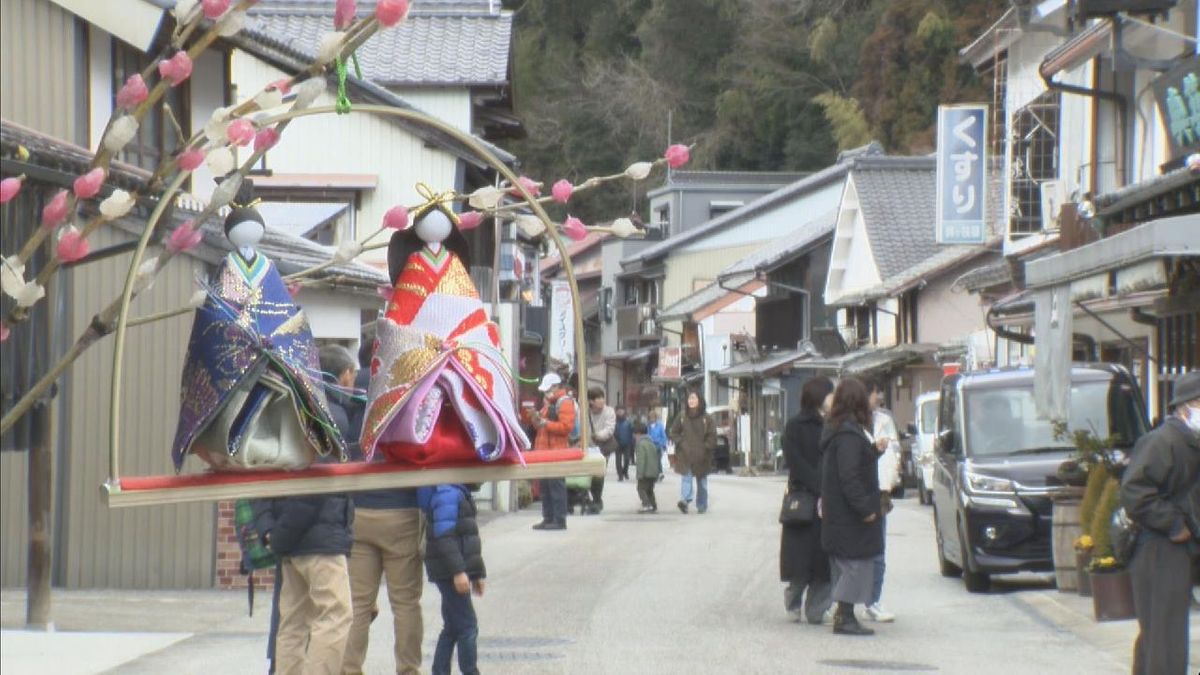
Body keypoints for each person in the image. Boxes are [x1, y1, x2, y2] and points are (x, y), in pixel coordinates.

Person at [1120, 370, 1200, 675]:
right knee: (1164, 634)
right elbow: (1134, 491)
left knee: (1159, 633)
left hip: (1175, 545)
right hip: (1159, 546)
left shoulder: (1187, 441)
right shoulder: (1162, 441)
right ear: (1186, 406)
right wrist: (1173, 525)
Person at [253, 489, 355, 673]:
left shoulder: (260, 460)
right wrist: (280, 534)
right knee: (335, 614)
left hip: (291, 539)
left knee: (293, 623)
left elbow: (259, 482)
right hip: (320, 538)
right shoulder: (318, 459)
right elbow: (316, 485)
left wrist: (270, 531)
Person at [819, 377, 884, 637]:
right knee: (855, 566)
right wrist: (865, 509)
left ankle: (844, 614)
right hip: (849, 516)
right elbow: (849, 476)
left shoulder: (839, 429)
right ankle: (844, 616)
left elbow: (852, 466)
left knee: (849, 566)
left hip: (839, 514)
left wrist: (873, 452)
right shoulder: (847, 434)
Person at [780, 376, 835, 625]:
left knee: (824, 562)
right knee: (800, 560)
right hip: (803, 498)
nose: (834, 399)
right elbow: (794, 461)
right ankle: (793, 600)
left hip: (828, 499)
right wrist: (817, 483)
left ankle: (817, 609)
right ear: (819, 397)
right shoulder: (794, 426)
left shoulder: (834, 424)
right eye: (830, 394)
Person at [419, 484, 487, 675]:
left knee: (452, 627)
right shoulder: (448, 493)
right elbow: (444, 537)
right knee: (468, 626)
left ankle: (439, 671)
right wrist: (458, 571)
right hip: (450, 571)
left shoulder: (456, 491)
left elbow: (467, 536)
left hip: (451, 569)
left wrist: (476, 573)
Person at [865, 379, 898, 623]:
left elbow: (893, 454)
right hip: (858, 493)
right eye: (876, 392)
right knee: (848, 552)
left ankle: (873, 600)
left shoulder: (884, 421)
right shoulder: (849, 424)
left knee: (878, 550)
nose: (879, 396)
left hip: (880, 492)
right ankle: (839, 602)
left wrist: (891, 480)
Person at [531, 372, 575, 530]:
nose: (546, 392)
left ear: (556, 387)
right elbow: (542, 426)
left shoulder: (564, 403)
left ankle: (559, 519)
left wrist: (545, 423)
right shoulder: (549, 403)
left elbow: (566, 427)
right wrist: (536, 420)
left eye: (548, 389)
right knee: (545, 487)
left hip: (557, 451)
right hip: (544, 452)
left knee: (556, 487)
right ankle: (548, 518)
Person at [672, 391, 717, 514]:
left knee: (702, 482)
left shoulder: (706, 419)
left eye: (694, 398)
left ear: (699, 400)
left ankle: (702, 505)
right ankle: (685, 501)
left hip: (702, 456)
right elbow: (674, 432)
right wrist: (681, 443)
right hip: (685, 454)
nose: (691, 401)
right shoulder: (682, 416)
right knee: (686, 478)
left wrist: (705, 447)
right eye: (689, 398)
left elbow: (712, 436)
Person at [587, 387, 617, 513]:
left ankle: (597, 499)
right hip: (588, 446)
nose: (601, 400)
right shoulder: (585, 412)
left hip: (603, 447)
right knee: (587, 473)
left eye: (602, 397)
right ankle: (588, 498)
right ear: (591, 401)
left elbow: (609, 429)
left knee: (598, 474)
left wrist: (597, 435)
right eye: (598, 398)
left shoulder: (609, 411)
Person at [634, 420, 661, 512]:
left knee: (641, 489)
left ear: (638, 434)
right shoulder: (651, 443)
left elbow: (641, 460)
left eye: (635, 435)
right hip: (653, 472)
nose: (634, 437)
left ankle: (646, 505)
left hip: (645, 472)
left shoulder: (641, 445)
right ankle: (653, 505)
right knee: (649, 490)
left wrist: (639, 474)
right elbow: (656, 458)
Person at [614, 406, 635, 481]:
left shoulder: (628, 422)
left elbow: (632, 431)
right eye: (618, 411)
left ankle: (625, 472)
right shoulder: (614, 422)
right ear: (616, 412)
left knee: (626, 460)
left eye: (621, 411)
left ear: (624, 412)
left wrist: (633, 441)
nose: (620, 412)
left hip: (627, 443)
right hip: (617, 444)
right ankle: (620, 475)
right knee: (618, 461)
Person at [648, 410, 669, 483]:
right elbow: (647, 435)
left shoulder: (659, 425)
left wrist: (663, 444)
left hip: (658, 445)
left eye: (653, 417)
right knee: (653, 461)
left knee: (657, 460)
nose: (652, 419)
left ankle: (658, 474)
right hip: (650, 445)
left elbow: (663, 436)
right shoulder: (648, 426)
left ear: (655, 418)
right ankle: (657, 474)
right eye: (650, 418)